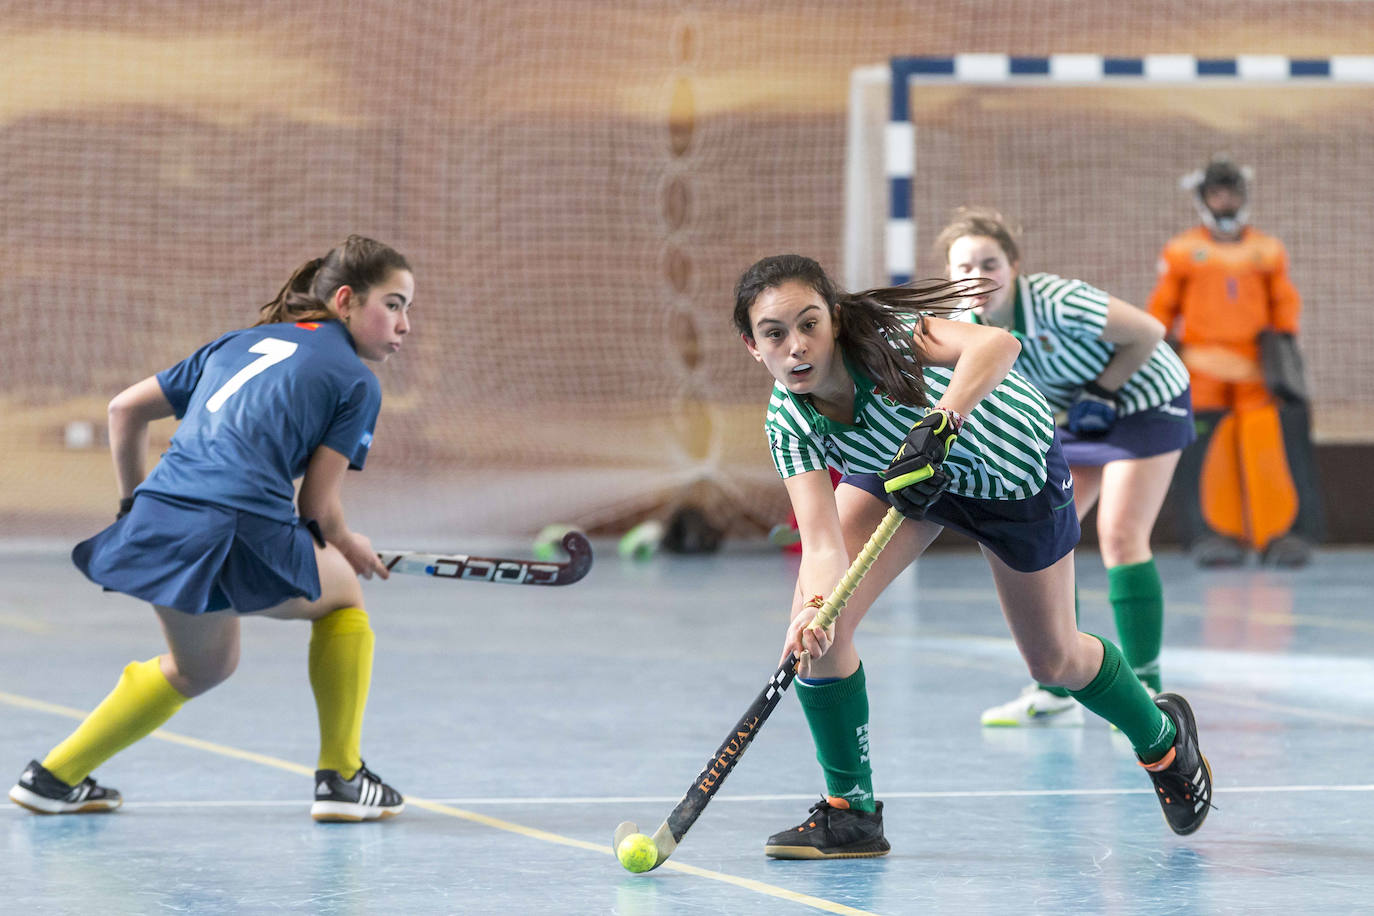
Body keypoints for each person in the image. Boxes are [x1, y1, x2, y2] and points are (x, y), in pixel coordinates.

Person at [733, 254, 1211, 859]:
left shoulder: (884, 339)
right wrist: (817, 610)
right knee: (818, 625)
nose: (797, 347)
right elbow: (823, 543)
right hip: (903, 475)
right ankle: (851, 812)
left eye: (809, 325)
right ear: (754, 345)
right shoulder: (787, 421)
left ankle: (1164, 741)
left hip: (1013, 477)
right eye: (775, 334)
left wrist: (942, 421)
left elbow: (996, 344)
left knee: (1054, 661)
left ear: (833, 320)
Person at [8, 235, 412, 823]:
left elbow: (124, 410)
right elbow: (316, 508)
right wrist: (350, 545)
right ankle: (343, 777)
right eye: (394, 304)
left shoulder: (236, 344)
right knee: (343, 600)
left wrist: (131, 507)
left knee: (201, 667)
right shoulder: (355, 380)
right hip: (236, 523)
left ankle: (53, 777)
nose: (404, 324)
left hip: (160, 517)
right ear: (346, 301)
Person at [936, 209, 1193, 728]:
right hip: (1075, 414)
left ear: (1014, 264)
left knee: (1120, 534)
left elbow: (1148, 331)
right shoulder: (964, 329)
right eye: (964, 267)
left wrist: (1103, 389)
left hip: (1144, 395)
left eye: (990, 263)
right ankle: (1055, 688)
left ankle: (1145, 690)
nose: (977, 276)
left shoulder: (1055, 300)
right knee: (1050, 535)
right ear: (948, 275)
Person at [1148, 156, 1322, 568]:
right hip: (1201, 372)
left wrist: (1285, 350)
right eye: (1216, 193)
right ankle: (1213, 534)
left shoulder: (1267, 250)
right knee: (1208, 455)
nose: (1225, 200)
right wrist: (1152, 347)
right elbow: (1163, 306)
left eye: (1231, 192)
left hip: (1256, 372)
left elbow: (1284, 303)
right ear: (1204, 198)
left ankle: (1277, 534)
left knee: (1268, 453)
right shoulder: (1183, 251)